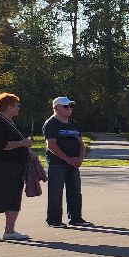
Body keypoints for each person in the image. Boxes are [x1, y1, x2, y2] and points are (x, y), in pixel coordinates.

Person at [43, 96, 92, 228]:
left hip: (74, 164)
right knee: (55, 193)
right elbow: (51, 145)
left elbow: (81, 143)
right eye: (66, 106)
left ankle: (76, 218)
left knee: (75, 191)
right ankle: (54, 220)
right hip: (57, 164)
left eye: (71, 106)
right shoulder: (51, 124)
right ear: (56, 108)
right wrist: (67, 159)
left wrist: (80, 158)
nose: (69, 109)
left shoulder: (73, 123)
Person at [0, 92, 34, 241]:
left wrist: (28, 151)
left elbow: (17, 142)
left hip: (16, 167)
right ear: (9, 106)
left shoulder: (11, 122)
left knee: (14, 199)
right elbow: (0, 145)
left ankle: (9, 231)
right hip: (2, 166)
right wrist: (22, 143)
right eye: (17, 105)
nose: (19, 108)